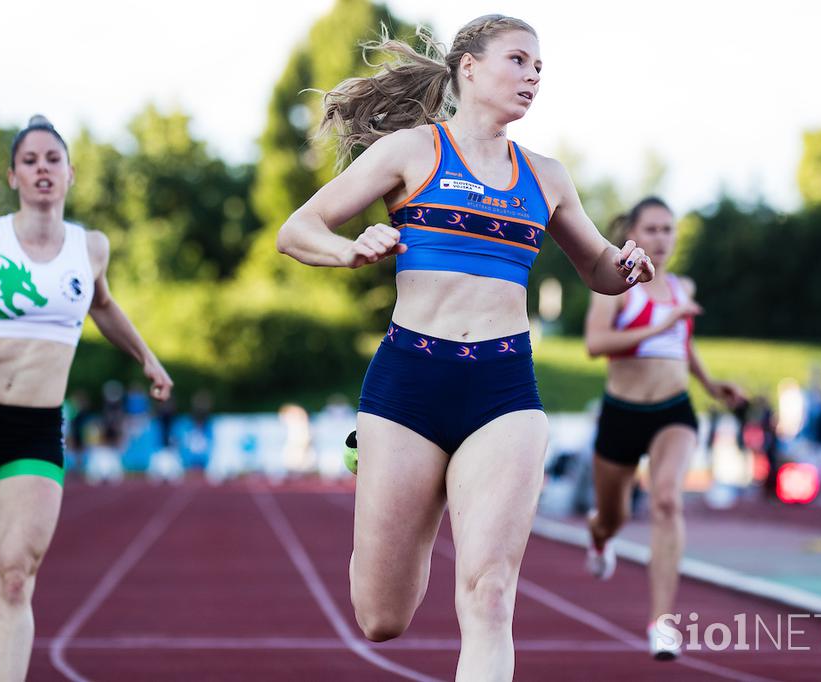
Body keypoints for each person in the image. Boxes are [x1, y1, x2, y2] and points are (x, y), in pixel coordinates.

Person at [277, 16, 655, 680]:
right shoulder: (411, 152)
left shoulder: (546, 177)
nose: (533, 76)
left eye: (540, 67)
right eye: (519, 60)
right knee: (381, 616)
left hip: (503, 389)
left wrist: (626, 268)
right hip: (408, 386)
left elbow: (597, 270)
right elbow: (297, 228)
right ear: (469, 68)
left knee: (490, 592)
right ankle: (381, 512)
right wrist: (348, 249)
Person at [0, 115, 172, 681]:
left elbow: (102, 306)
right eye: (31, 160)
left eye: (53, 160)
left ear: (70, 174)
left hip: (35, 430)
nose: (42, 169)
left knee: (16, 577)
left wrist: (145, 356)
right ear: (13, 175)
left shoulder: (90, 247)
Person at [582, 197, 745, 660]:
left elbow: (683, 345)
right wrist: (661, 325)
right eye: (651, 229)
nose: (661, 239)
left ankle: (662, 623)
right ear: (632, 233)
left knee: (668, 499)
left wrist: (713, 385)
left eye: (668, 230)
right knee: (610, 518)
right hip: (622, 413)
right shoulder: (613, 287)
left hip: (674, 410)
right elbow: (596, 345)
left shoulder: (682, 287)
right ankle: (599, 537)